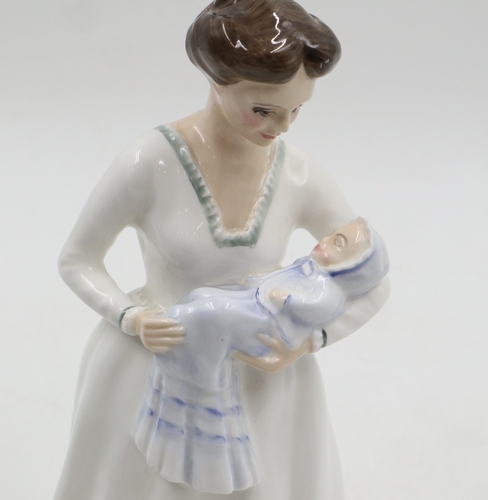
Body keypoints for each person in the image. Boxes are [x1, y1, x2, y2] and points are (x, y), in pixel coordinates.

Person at [54, 1, 390, 499]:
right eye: (264, 110)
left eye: (298, 109)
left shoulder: (298, 173)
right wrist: (131, 317)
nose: (283, 126)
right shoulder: (149, 163)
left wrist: (309, 342)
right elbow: (77, 259)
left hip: (263, 382)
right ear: (218, 80)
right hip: (157, 363)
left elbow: (372, 279)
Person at [133, 218, 389, 494]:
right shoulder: (308, 268)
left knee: (208, 312)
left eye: (338, 243)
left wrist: (308, 337)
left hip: (265, 321)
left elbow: (322, 306)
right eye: (331, 235)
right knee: (201, 296)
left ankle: (187, 332)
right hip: (250, 303)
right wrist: (131, 318)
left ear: (351, 266)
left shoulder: (327, 287)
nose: (325, 240)